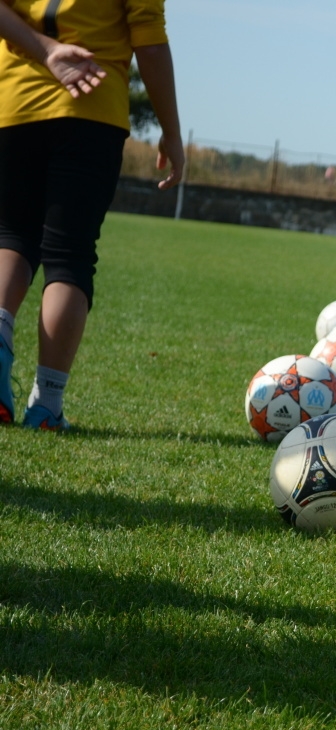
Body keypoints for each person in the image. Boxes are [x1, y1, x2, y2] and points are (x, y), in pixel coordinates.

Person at [0, 0, 183, 430]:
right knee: (69, 254)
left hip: (14, 104)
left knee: (10, 236)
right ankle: (46, 406)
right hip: (91, 110)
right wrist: (171, 132)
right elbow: (150, 44)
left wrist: (44, 49)